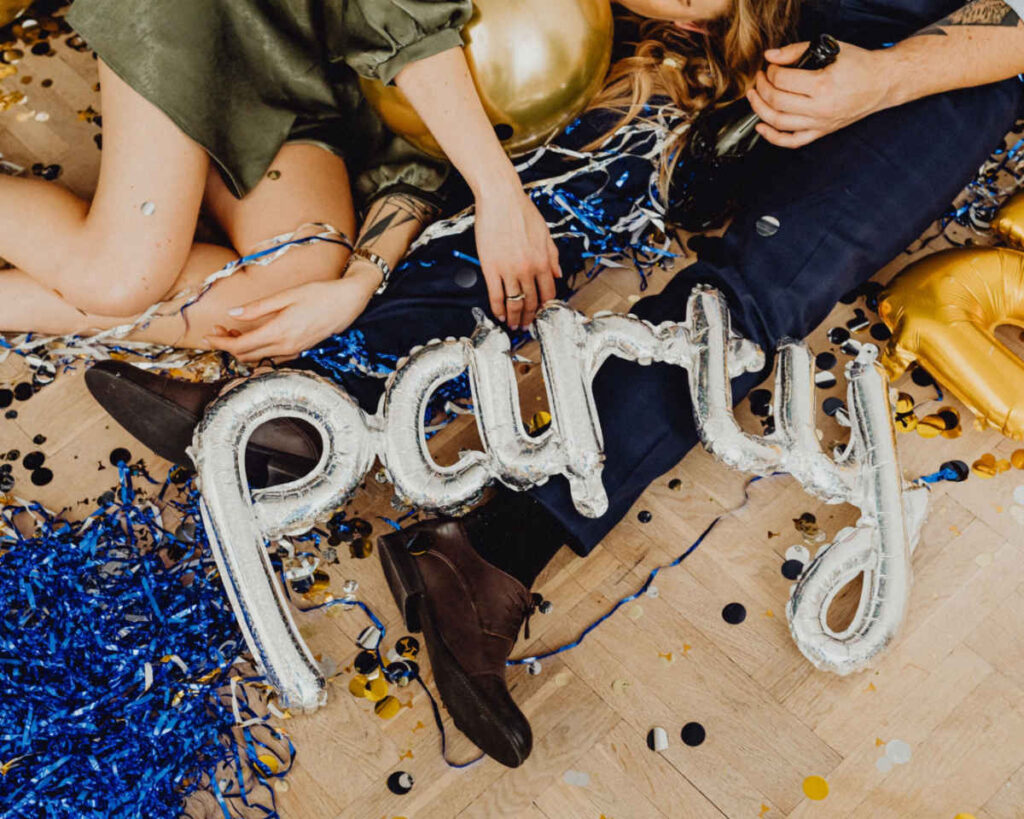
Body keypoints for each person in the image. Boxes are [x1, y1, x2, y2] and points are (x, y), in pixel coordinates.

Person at [84, 0, 1024, 769]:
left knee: (763, 290)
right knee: (601, 164)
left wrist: (885, 78)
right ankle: (311, 409)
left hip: (952, 52)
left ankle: (491, 551)